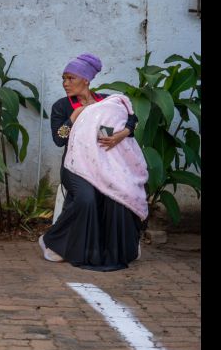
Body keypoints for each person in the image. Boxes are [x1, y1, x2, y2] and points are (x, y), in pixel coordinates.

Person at [39, 53, 147, 271]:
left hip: (108, 165)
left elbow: (131, 118)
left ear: (86, 79)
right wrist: (74, 117)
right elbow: (59, 139)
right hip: (76, 167)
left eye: (71, 78)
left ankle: (123, 248)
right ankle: (52, 241)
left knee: (120, 193)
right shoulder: (62, 107)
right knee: (86, 199)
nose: (65, 83)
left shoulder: (107, 102)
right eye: (64, 78)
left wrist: (121, 134)